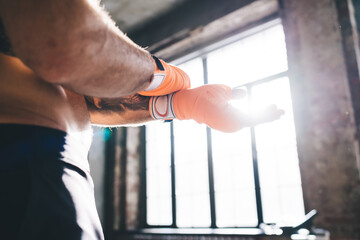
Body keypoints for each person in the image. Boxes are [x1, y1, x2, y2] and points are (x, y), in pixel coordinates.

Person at [0, 0, 284, 239]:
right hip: (23, 160)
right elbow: (67, 45)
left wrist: (177, 104)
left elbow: (86, 94)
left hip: (39, 163)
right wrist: (160, 74)